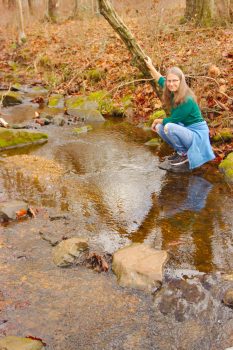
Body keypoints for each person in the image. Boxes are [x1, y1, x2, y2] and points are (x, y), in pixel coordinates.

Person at [145, 56, 215, 169]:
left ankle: (183, 154)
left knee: (168, 126)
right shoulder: (171, 90)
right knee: (159, 128)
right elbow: (159, 79)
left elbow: (172, 120)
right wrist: (150, 66)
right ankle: (179, 152)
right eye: (169, 81)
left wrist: (156, 120)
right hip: (186, 129)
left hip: (197, 134)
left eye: (175, 81)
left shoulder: (187, 99)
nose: (171, 84)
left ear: (181, 81)